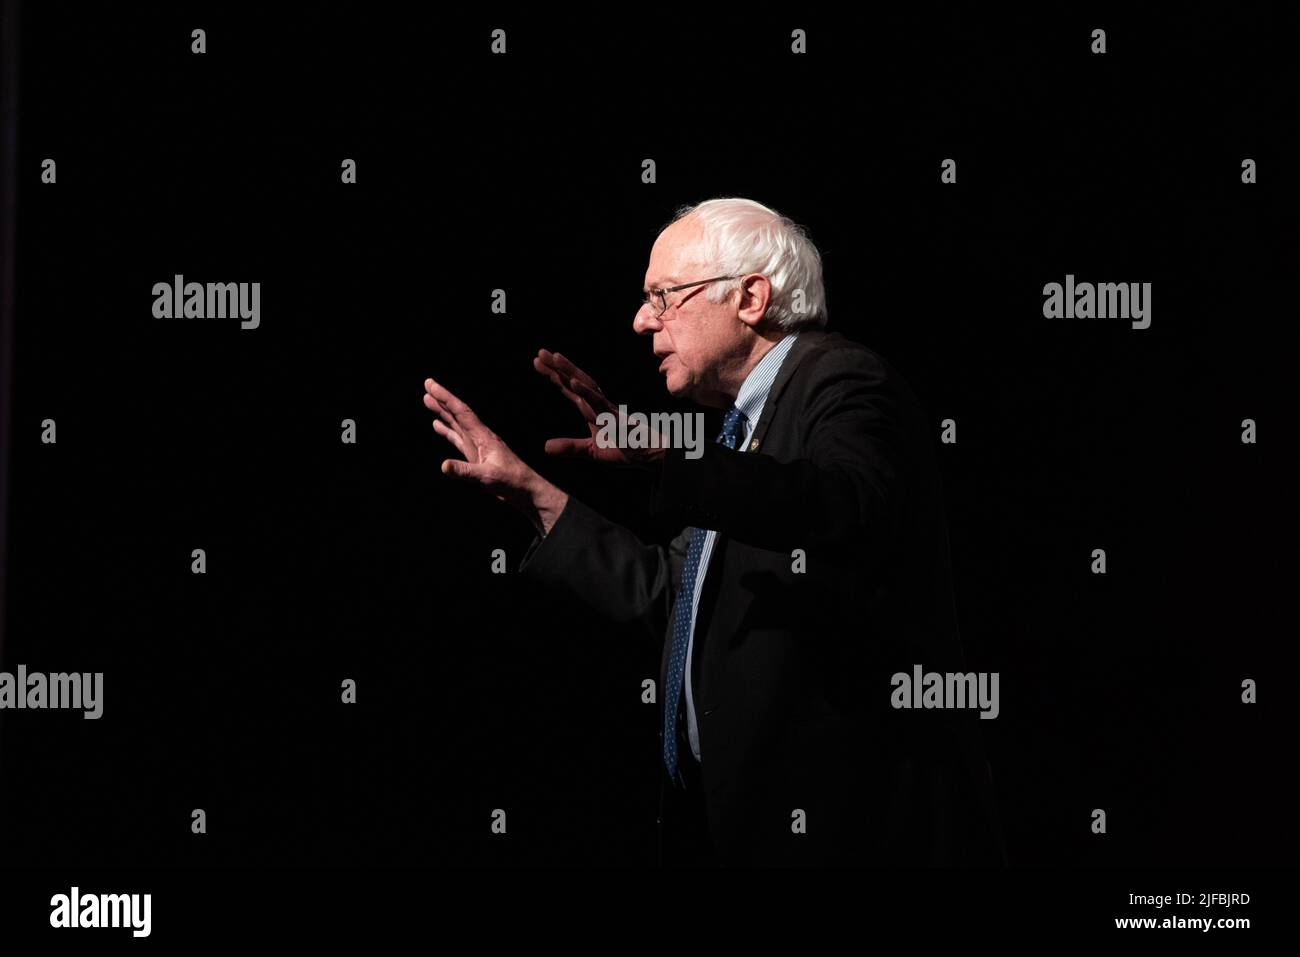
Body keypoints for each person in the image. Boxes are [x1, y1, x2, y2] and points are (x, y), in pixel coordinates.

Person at [422, 197, 1006, 867]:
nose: (643, 320)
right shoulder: (742, 432)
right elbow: (672, 593)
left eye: (663, 296)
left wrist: (669, 458)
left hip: (859, 831)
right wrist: (533, 494)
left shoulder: (840, 380)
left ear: (751, 297)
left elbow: (849, 505)